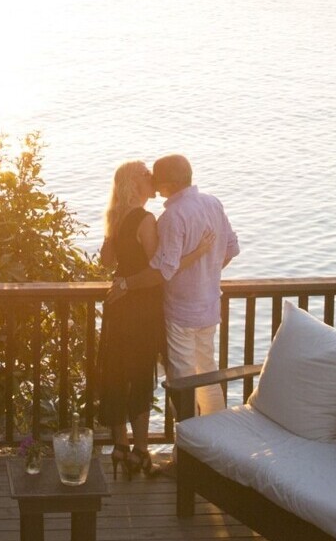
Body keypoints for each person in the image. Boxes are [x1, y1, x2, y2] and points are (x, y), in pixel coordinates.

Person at [98, 160, 214, 479]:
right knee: (139, 373)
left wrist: (114, 239)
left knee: (118, 373)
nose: (154, 180)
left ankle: (120, 446)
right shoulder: (146, 219)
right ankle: (139, 450)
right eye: (148, 176)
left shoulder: (118, 216)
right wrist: (199, 252)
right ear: (136, 184)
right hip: (141, 307)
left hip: (117, 306)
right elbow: (161, 270)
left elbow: (106, 261)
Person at [107, 154, 238, 419]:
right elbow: (231, 250)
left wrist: (126, 283)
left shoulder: (172, 217)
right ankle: (216, 443)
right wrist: (207, 275)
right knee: (208, 375)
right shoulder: (213, 203)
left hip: (180, 312)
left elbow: (162, 270)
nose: (153, 181)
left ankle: (188, 451)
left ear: (167, 183)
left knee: (182, 381)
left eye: (155, 177)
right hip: (210, 306)